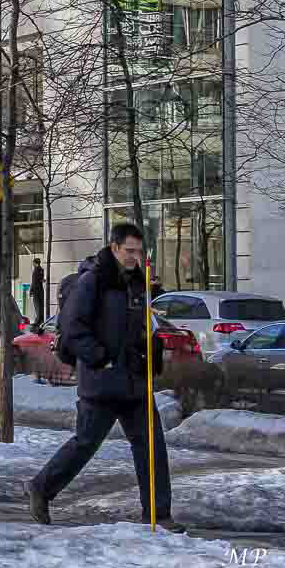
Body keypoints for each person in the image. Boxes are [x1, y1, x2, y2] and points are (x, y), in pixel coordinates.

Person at [27, 221, 175, 529]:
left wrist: (151, 347)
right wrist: (99, 358)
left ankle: (158, 515)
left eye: (139, 251)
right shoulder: (93, 280)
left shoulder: (138, 284)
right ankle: (41, 487)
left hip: (134, 380)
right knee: (85, 443)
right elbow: (72, 327)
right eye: (129, 251)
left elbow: (138, 328)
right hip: (102, 381)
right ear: (114, 247)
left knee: (152, 446)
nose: (135, 257)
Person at [30, 258, 46, 325]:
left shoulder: (36, 270)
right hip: (41, 290)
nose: (33, 264)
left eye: (33, 263)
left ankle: (38, 320)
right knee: (41, 305)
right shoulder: (41, 270)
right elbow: (41, 280)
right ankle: (41, 319)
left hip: (36, 291)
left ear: (35, 263)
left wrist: (31, 290)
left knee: (37, 305)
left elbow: (34, 282)